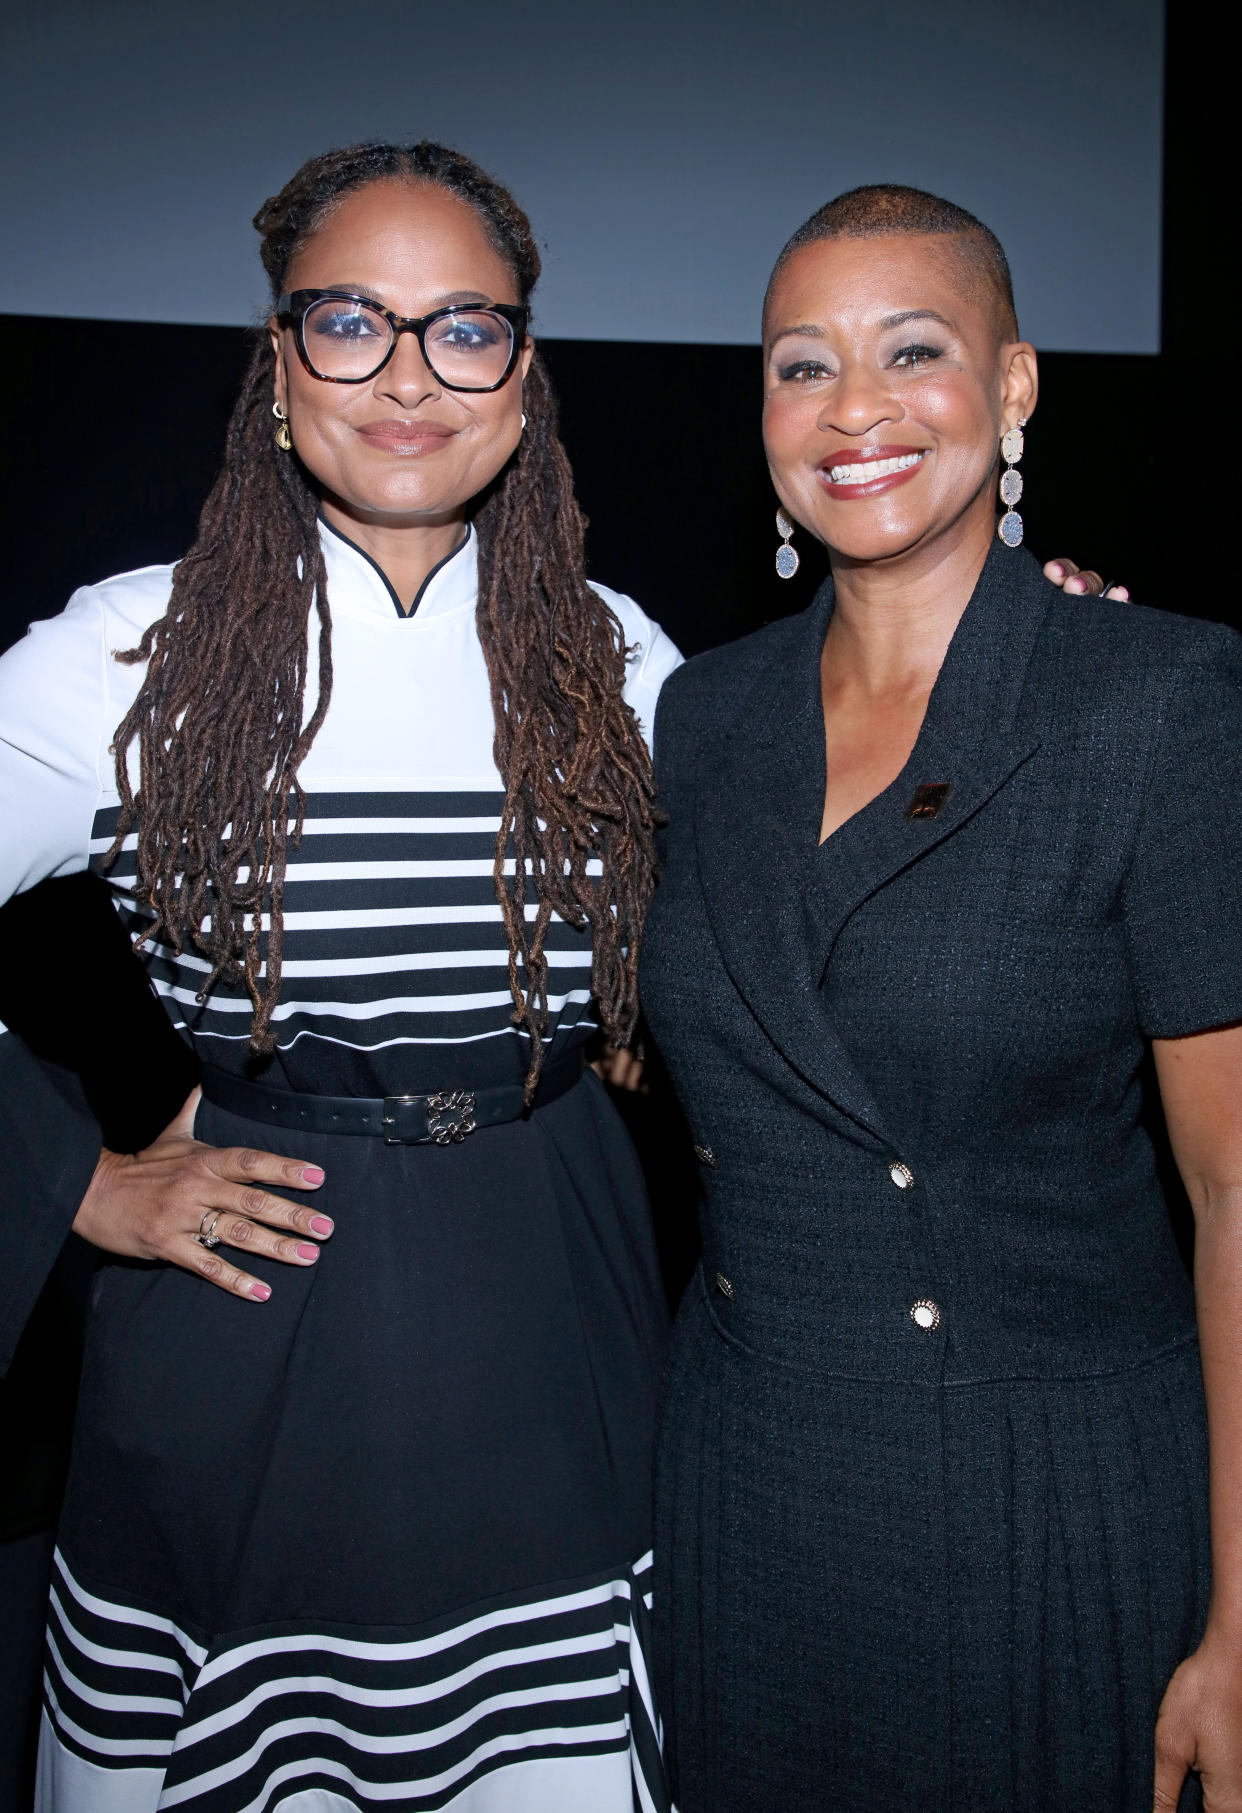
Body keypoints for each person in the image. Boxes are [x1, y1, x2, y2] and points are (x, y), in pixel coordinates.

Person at [0, 139, 682, 1811]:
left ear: (522, 376)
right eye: (348, 321)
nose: (406, 374)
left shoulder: (621, 659)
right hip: (242, 1338)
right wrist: (68, 1177)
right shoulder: (117, 654)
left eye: (464, 327)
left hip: (551, 1311)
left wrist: (1016, 650)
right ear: (277, 363)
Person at [641, 184, 1242, 1812]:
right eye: (798, 365)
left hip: (1037, 1496)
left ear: (1017, 382)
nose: (851, 411)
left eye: (912, 351)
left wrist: (1241, 1621)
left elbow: (1230, 1185)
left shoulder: (1156, 696)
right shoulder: (698, 714)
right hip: (749, 1486)